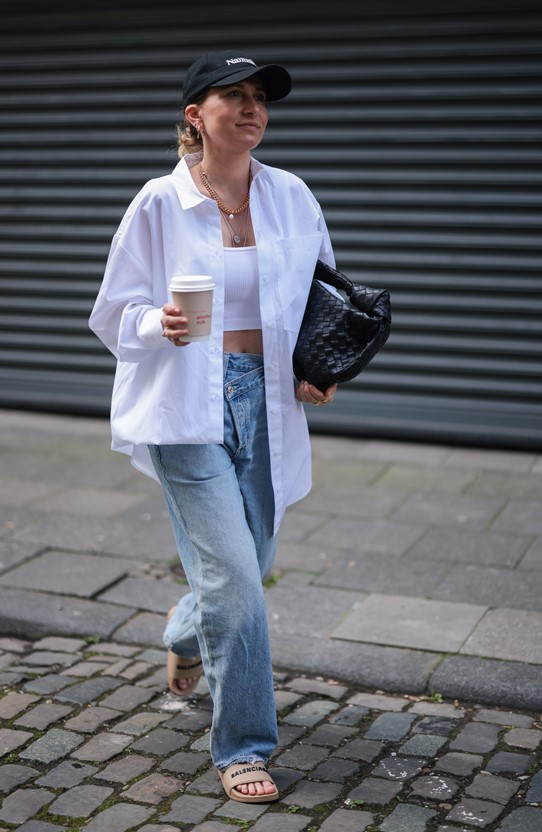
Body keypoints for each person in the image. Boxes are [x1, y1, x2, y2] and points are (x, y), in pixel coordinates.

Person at [88, 49, 337, 804]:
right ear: (197, 115)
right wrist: (154, 322)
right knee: (236, 577)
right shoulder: (159, 204)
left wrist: (319, 363)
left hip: (267, 399)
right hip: (183, 404)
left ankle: (184, 630)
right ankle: (244, 746)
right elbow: (112, 312)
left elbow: (326, 291)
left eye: (261, 97)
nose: (254, 108)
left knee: (243, 569)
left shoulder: (291, 196)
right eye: (235, 96)